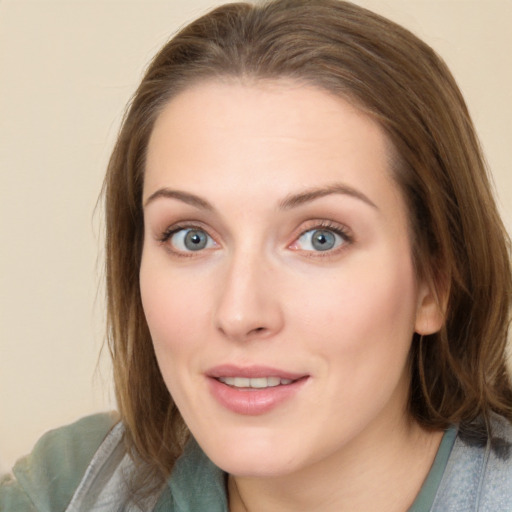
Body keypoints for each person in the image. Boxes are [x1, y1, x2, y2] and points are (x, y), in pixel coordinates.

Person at [1, 0, 511, 510]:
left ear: (435, 282)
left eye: (320, 238)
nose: (240, 313)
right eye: (191, 237)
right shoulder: (68, 486)